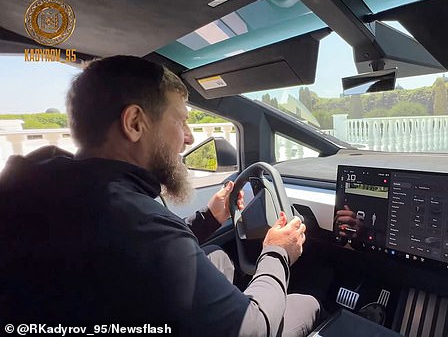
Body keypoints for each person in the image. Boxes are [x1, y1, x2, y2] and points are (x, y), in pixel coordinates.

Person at [0, 56, 319, 336]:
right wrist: (277, 253)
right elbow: (254, 329)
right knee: (306, 302)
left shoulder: (41, 189)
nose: (189, 137)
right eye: (181, 120)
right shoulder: (135, 221)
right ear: (135, 123)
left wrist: (208, 218)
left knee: (219, 258)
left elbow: (138, 254)